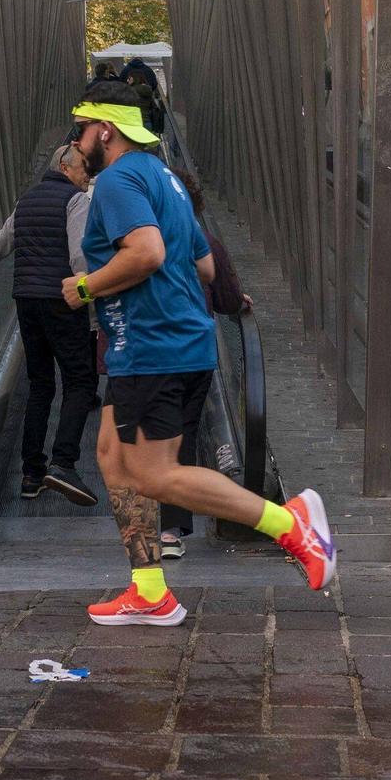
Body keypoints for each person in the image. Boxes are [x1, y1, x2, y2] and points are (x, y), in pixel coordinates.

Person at [61, 79, 333, 624]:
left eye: (82, 130)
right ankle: (149, 589)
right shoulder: (166, 179)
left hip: (153, 347)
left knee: (155, 474)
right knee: (113, 458)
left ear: (105, 130)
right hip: (164, 343)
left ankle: (293, 523)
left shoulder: (117, 180)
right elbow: (205, 265)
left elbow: (148, 253)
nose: (78, 142)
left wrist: (85, 288)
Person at [0, 142, 100, 506]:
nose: (86, 175)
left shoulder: (27, 199)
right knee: (80, 380)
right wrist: (91, 289)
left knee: (41, 384)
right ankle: (63, 462)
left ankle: (31, 474)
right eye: (81, 169)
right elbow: (80, 254)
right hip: (63, 299)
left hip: (27, 301)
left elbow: (3, 240)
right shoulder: (76, 201)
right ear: (64, 168)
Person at [156, 170, 249, 558]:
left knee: (137, 445)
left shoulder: (143, 238)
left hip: (152, 352)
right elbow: (225, 295)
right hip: (194, 352)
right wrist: (238, 302)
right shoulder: (205, 239)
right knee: (183, 435)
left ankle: (148, 532)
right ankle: (171, 531)